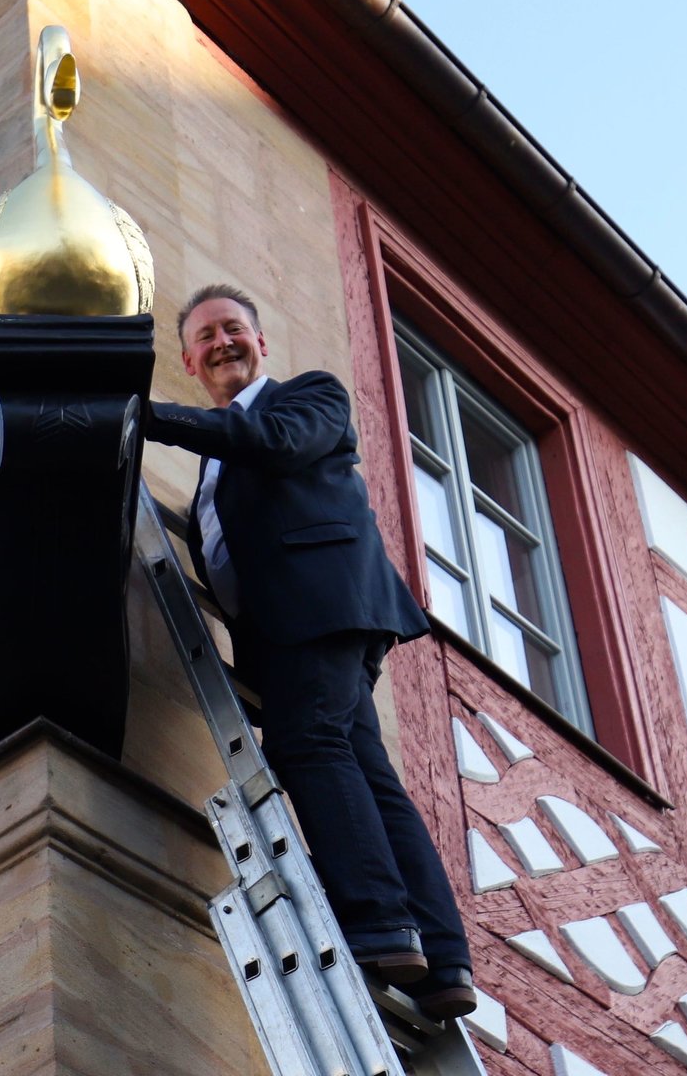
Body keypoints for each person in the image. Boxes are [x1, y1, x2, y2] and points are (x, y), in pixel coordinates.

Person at [142, 284, 475, 1020]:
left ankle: (378, 920)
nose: (222, 342)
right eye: (205, 337)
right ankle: (442, 958)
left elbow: (277, 446)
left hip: (319, 611)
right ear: (191, 362)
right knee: (364, 770)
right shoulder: (219, 460)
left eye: (233, 328)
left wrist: (150, 419)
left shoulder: (306, 399)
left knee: (310, 745)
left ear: (260, 343)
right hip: (291, 627)